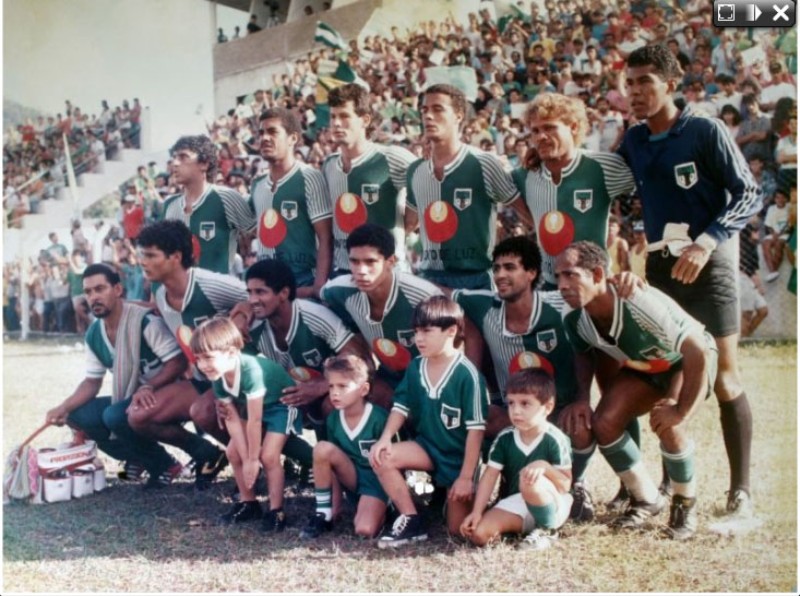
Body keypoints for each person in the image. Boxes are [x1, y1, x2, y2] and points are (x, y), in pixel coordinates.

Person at [618, 45, 761, 527]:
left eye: (645, 81)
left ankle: (740, 492)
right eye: (630, 83)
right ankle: (670, 482)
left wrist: (707, 241)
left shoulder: (704, 130)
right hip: (661, 269)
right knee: (668, 375)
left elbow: (748, 192)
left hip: (708, 263)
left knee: (724, 378)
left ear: (671, 83)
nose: (636, 91)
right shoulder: (634, 139)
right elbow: (606, 179)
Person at [556, 241, 718, 540]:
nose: (562, 285)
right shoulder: (574, 315)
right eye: (558, 277)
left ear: (598, 274)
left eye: (571, 275)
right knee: (604, 421)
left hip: (685, 362)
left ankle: (684, 503)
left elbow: (697, 350)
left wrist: (681, 411)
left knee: (667, 421)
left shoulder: (635, 299)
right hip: (648, 366)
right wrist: (581, 398)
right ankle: (646, 498)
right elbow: (583, 353)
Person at [452, 236, 595, 520]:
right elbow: (442, 292)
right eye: (496, 268)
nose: (500, 275)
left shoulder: (560, 304)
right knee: (483, 419)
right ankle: (503, 481)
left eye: (510, 267)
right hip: (515, 410)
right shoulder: (484, 306)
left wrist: (582, 398)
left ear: (531, 273)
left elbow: (590, 339)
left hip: (559, 408)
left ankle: (577, 485)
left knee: (581, 424)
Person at [124, 220, 244, 489]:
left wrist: (241, 320)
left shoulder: (210, 284)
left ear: (176, 257)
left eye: (151, 255)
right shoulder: (160, 293)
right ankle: (208, 454)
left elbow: (255, 298)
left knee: (202, 412)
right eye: (142, 255)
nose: (143, 262)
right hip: (202, 380)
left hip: (237, 380)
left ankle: (251, 458)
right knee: (138, 415)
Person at [45, 264, 185, 489]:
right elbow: (92, 381)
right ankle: (138, 457)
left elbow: (177, 362)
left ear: (118, 289)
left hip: (171, 396)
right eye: (88, 292)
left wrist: (149, 386)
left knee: (115, 415)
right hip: (134, 399)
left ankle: (163, 464)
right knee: (77, 414)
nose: (94, 297)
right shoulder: (94, 333)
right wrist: (63, 408)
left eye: (100, 289)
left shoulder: (144, 321)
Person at [369, 296, 489, 548]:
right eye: (416, 332)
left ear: (451, 331)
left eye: (426, 331)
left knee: (456, 531)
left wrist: (465, 477)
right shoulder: (416, 366)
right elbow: (400, 406)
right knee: (381, 456)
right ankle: (411, 519)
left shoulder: (468, 375)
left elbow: (476, 432)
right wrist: (385, 438)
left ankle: (455, 492)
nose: (418, 339)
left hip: (457, 458)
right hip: (426, 447)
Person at [406, 84, 530, 291]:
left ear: (459, 116)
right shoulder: (416, 170)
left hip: (477, 278)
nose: (428, 116)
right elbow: (408, 224)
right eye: (424, 110)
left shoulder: (484, 163)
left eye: (438, 109)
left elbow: (527, 215)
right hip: (430, 279)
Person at [513, 92, 635, 289]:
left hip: (594, 286)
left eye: (549, 127)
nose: (540, 136)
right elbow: (498, 190)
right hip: (548, 286)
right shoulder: (524, 175)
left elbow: (652, 184)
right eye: (535, 131)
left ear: (574, 127)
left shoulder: (603, 167)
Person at [191, 318, 301, 531]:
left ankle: (276, 511)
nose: (202, 365)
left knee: (268, 456)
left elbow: (255, 420)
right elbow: (231, 417)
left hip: (281, 405)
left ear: (231, 352)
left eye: (208, 357)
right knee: (233, 453)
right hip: (254, 410)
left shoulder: (251, 370)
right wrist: (246, 456)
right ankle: (249, 503)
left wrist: (252, 459)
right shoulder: (218, 375)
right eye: (198, 358)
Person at [238, 258, 370, 431]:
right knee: (236, 405)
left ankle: (342, 446)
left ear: (284, 293)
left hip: (331, 391)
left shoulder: (313, 315)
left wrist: (323, 385)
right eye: (250, 293)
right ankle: (288, 448)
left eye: (260, 292)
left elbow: (358, 359)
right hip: (295, 393)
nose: (252, 300)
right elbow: (230, 360)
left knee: (333, 403)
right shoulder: (252, 325)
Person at [320, 223, 443, 406]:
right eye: (354, 262)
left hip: (428, 380)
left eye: (370, 262)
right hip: (385, 378)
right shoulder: (339, 290)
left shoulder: (423, 296)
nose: (361, 271)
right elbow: (324, 300)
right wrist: (356, 348)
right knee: (331, 406)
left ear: (390, 262)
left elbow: (459, 338)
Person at [460, 369, 573, 550]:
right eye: (511, 403)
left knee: (527, 478)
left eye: (525, 403)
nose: (516, 411)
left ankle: (547, 530)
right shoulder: (505, 438)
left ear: (548, 407)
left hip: (551, 501)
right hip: (517, 501)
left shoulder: (555, 439)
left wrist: (544, 467)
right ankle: (523, 530)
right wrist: (477, 512)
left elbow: (565, 485)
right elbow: (489, 476)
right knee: (480, 534)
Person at [321, 84, 417, 277]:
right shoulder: (329, 165)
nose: (336, 123)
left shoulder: (391, 158)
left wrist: (407, 224)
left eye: (344, 116)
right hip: (343, 271)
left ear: (365, 120)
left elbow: (428, 186)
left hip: (386, 270)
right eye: (333, 117)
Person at [300, 354, 390, 539]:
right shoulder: (333, 418)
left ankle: (388, 507)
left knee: (364, 530)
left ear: (363, 389)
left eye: (342, 386)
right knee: (322, 449)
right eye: (331, 386)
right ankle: (323, 513)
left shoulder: (380, 418)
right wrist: (335, 507)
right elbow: (332, 467)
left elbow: (395, 462)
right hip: (352, 477)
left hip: (378, 482)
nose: (334, 392)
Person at [250, 108, 332, 299]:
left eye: (273, 132)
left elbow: (326, 237)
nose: (264, 138)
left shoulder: (309, 177)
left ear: (293, 138)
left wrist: (318, 287)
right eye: (261, 133)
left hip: (303, 284)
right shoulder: (257, 184)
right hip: (266, 287)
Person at [160, 135, 255, 276]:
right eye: (174, 157)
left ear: (204, 164)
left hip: (218, 287)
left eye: (183, 157)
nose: (175, 163)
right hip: (179, 288)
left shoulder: (226, 198)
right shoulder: (169, 205)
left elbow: (258, 233)